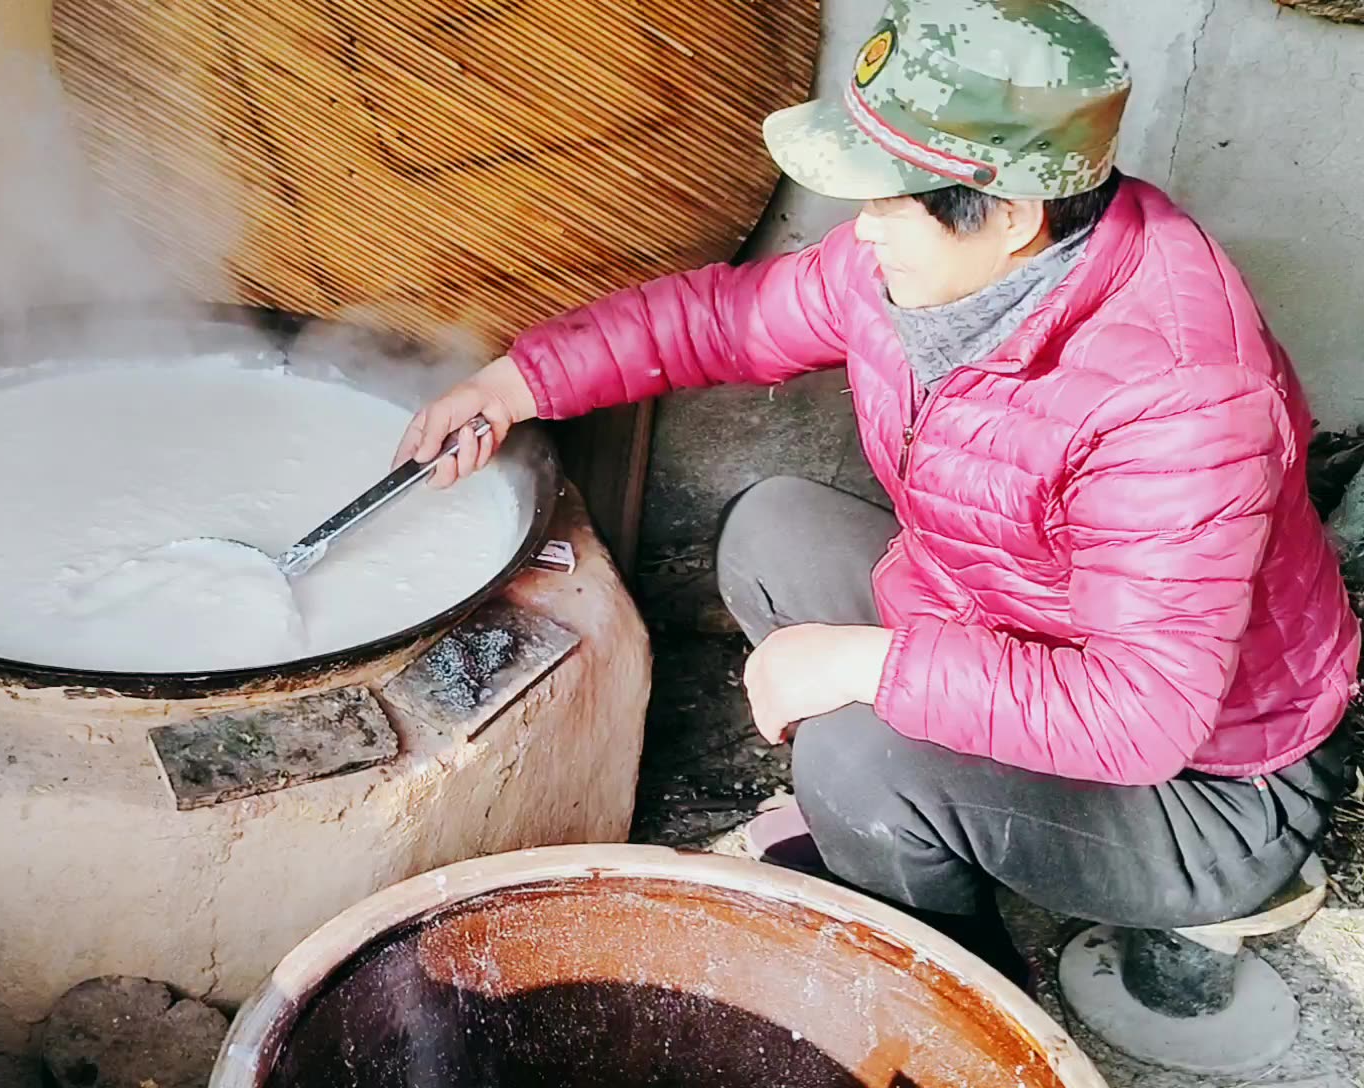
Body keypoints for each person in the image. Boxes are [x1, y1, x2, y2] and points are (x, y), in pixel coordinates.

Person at [394, 0, 1360, 982]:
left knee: (858, 759)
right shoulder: (935, 267)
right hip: (1015, 633)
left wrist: (870, 665)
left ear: (1014, 213)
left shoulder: (1179, 392)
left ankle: (959, 981)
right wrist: (514, 383)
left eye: (891, 199)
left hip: (1210, 787)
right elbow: (728, 322)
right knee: (768, 530)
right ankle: (912, 837)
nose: (862, 231)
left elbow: (1142, 712)